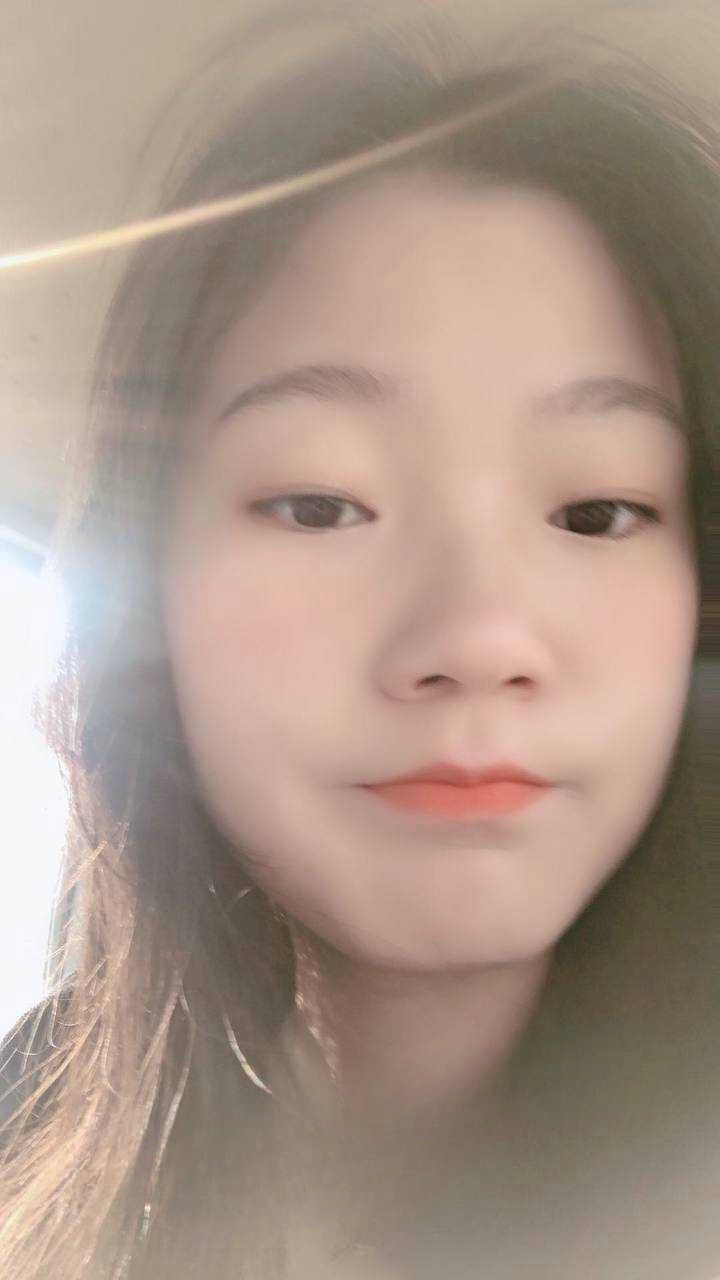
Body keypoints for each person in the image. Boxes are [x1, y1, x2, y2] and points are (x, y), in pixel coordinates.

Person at [0, 1, 717, 1276]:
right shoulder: (32, 1106)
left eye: (596, 511)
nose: (477, 635)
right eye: (321, 503)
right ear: (151, 586)